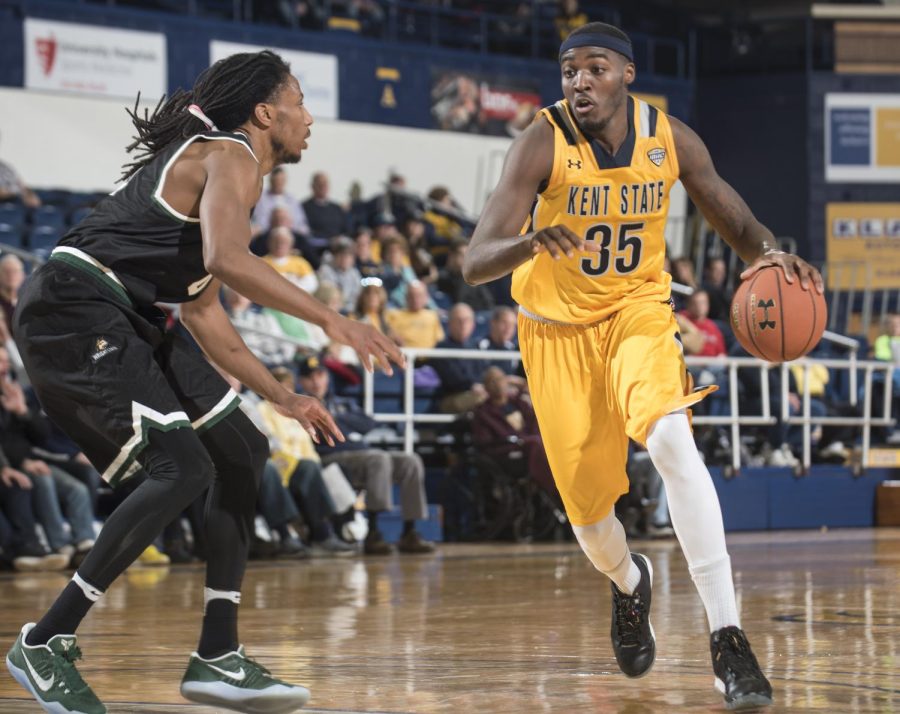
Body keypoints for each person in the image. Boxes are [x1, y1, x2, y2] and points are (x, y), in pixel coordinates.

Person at [7, 50, 403, 714]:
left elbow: (204, 311)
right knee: (179, 467)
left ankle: (218, 655)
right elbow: (228, 259)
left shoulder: (233, 177)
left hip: (138, 317)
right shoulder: (231, 153)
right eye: (300, 101)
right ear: (264, 111)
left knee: (241, 449)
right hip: (77, 304)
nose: (310, 118)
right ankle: (43, 644)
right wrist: (336, 322)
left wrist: (285, 395)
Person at [462, 22, 823, 710]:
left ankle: (728, 638)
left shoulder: (671, 138)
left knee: (669, 439)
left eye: (594, 68)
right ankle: (630, 583)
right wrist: (530, 240)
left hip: (637, 314)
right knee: (591, 518)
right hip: (556, 336)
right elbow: (474, 260)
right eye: (569, 71)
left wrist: (770, 254)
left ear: (627, 74)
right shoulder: (541, 141)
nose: (579, 82)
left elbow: (737, 224)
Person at [296, 355, 435, 556]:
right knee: (378, 459)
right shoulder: (301, 407)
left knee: (410, 461)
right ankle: (374, 532)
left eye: (320, 374)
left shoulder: (341, 402)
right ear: (301, 382)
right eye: (309, 377)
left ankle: (410, 530)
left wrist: (335, 419)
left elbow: (368, 423)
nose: (316, 381)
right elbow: (321, 437)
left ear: (326, 377)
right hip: (331, 458)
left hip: (361, 454)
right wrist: (346, 422)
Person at [302, 171, 349, 239]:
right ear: (312, 186)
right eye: (320, 184)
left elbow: (346, 230)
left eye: (325, 184)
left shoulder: (337, 208)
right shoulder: (304, 208)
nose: (323, 187)